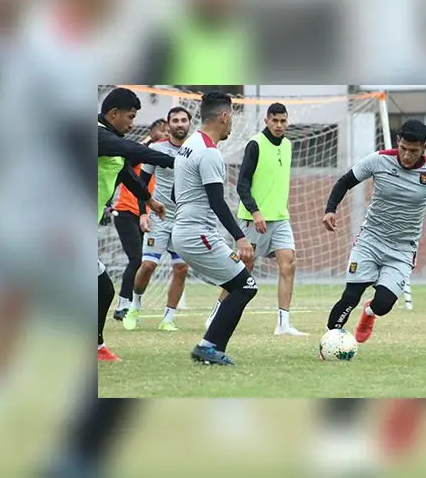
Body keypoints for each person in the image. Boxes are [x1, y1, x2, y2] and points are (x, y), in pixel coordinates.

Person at [322, 119, 426, 343]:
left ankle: (369, 313)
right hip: (370, 241)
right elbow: (345, 181)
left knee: (383, 305)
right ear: (398, 142)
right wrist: (330, 210)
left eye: (413, 151)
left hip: (402, 249)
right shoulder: (379, 160)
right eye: (403, 148)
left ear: (424, 148)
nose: (407, 155)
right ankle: (330, 342)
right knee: (350, 296)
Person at [203, 102, 307, 336]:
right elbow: (242, 186)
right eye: (275, 120)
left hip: (280, 219)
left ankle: (283, 324)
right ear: (266, 121)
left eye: (283, 121)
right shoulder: (255, 145)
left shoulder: (289, 145)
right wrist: (256, 212)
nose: (279, 125)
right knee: (242, 270)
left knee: (289, 263)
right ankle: (216, 314)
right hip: (253, 220)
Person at [171, 91, 256, 366]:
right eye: (232, 117)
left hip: (185, 231)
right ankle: (208, 346)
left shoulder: (189, 144)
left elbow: (175, 194)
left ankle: (209, 345)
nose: (232, 123)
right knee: (246, 286)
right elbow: (217, 201)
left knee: (238, 285)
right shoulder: (208, 153)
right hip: (198, 235)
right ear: (224, 116)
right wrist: (240, 237)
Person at [96, 88, 172, 362]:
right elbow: (134, 150)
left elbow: (127, 174)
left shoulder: (110, 141)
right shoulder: (98, 135)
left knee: (101, 288)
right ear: (113, 114)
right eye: (130, 117)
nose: (132, 124)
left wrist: (149, 201)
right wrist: (174, 160)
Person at [122, 107, 192, 331]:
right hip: (160, 217)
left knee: (181, 268)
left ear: (189, 124)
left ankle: (168, 318)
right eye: (175, 120)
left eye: (183, 120)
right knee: (148, 264)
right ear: (168, 124)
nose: (180, 124)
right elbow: (141, 182)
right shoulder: (156, 149)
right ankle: (134, 305)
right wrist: (143, 212)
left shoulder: (196, 150)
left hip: (184, 220)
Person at [111, 118, 166, 321]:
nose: (167, 133)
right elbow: (129, 159)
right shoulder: (139, 155)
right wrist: (149, 140)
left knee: (143, 262)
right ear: (152, 133)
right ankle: (122, 305)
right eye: (163, 130)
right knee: (136, 259)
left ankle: (131, 303)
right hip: (126, 212)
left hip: (147, 215)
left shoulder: (158, 158)